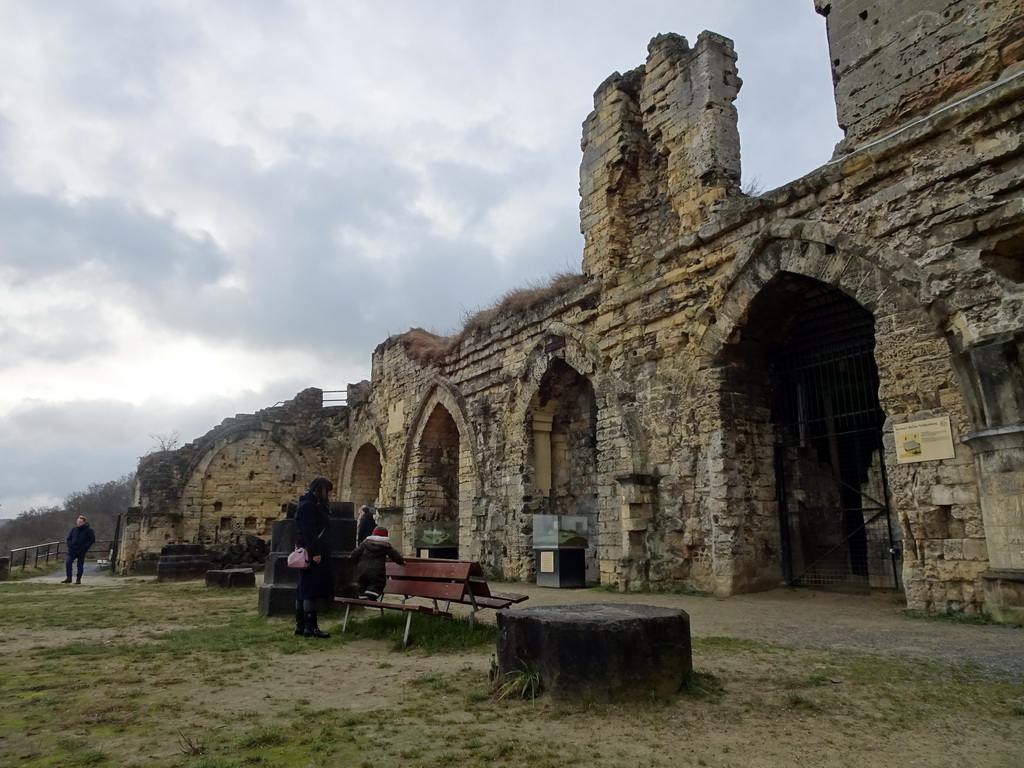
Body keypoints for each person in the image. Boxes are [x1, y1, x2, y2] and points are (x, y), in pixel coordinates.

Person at [293, 477, 335, 638]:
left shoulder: (308, 504)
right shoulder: (309, 505)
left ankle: (301, 626)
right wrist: (315, 552)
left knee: (303, 588)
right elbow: (309, 531)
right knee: (310, 589)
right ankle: (311, 628)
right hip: (314, 552)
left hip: (309, 549)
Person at [349, 525, 405, 601]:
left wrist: (352, 557)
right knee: (378, 583)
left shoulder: (365, 544)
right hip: (376, 571)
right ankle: (371, 595)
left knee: (362, 583)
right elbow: (395, 555)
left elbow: (354, 554)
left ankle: (362, 596)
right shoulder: (385, 546)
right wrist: (401, 561)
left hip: (362, 569)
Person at [62, 516, 96, 585]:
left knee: (80, 565)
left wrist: (85, 547)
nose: (78, 523)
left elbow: (92, 540)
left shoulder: (89, 530)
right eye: (78, 522)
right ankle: (69, 577)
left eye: (80, 522)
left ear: (84, 522)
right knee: (68, 562)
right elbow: (69, 539)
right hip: (72, 550)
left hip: (81, 550)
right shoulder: (74, 529)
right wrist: (70, 546)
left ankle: (78, 579)